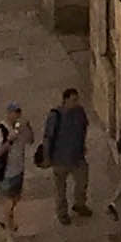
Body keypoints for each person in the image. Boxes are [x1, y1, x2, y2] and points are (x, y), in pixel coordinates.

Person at [41, 87, 92, 225]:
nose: (76, 103)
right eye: (73, 100)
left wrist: (82, 144)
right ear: (65, 100)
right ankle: (62, 213)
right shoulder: (55, 115)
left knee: (82, 181)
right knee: (60, 189)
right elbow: (48, 138)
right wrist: (47, 157)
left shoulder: (79, 112)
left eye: (77, 100)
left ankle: (79, 204)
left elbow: (84, 127)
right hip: (60, 158)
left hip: (77, 156)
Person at [0, 107, 33, 242]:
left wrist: (27, 128)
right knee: (9, 202)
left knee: (16, 198)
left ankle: (6, 220)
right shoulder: (0, 130)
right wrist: (9, 140)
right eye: (14, 113)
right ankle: (9, 238)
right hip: (6, 173)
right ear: (8, 114)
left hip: (18, 170)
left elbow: (30, 141)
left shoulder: (20, 128)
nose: (16, 116)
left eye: (18, 114)